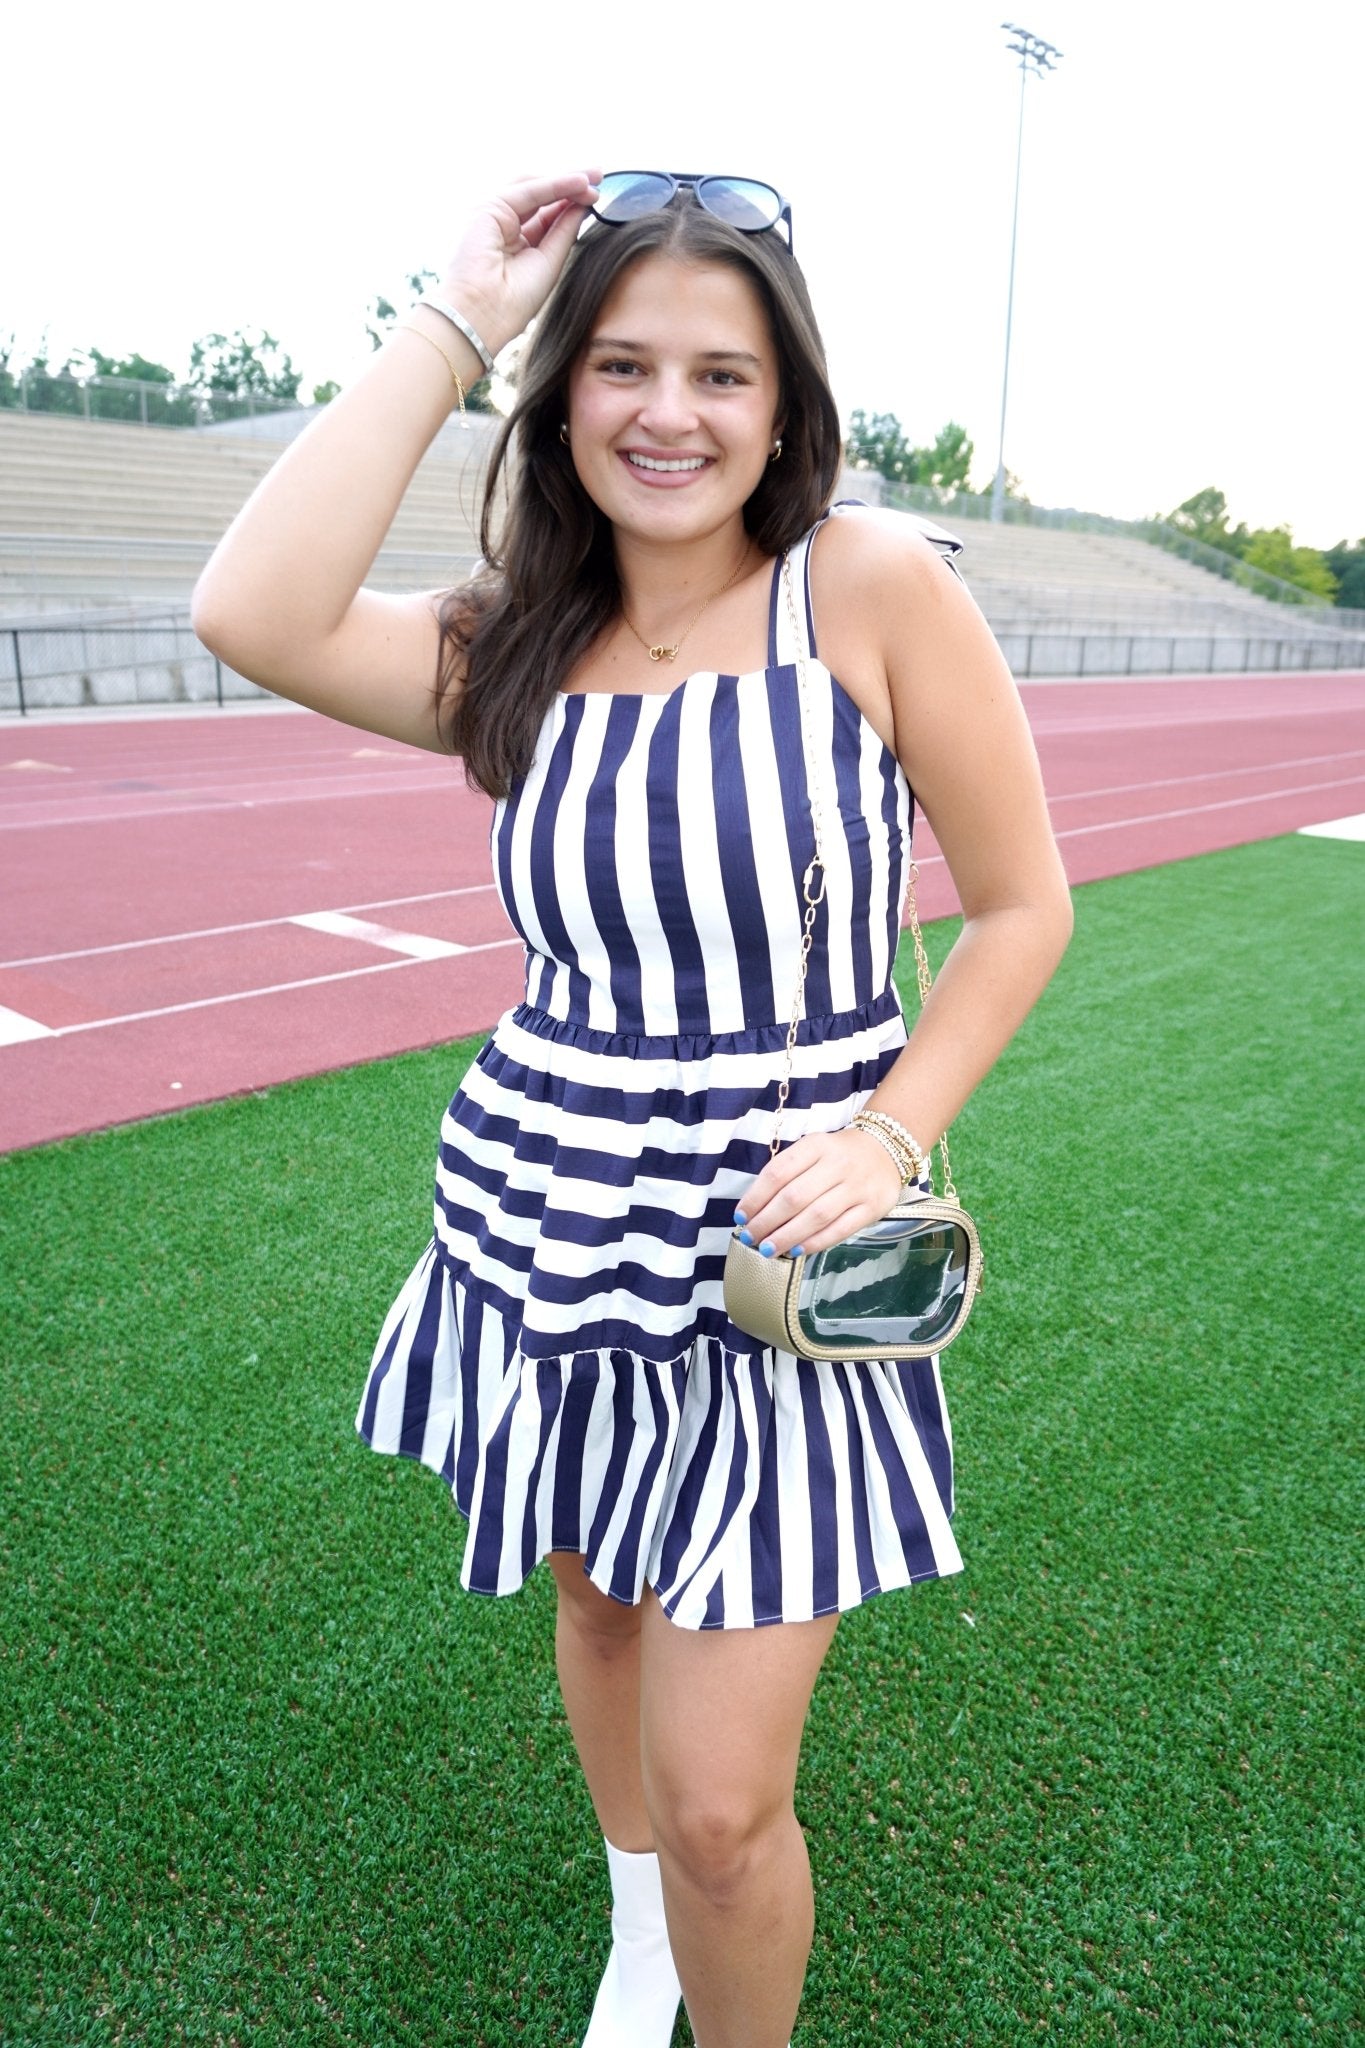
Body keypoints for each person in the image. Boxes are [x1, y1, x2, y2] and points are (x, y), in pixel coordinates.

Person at [192, 168, 1073, 2048]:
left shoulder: (867, 585)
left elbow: (1020, 906)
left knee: (728, 1808)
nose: (668, 412)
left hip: (778, 1245)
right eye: (619, 365)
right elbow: (251, 611)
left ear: (784, 406)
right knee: (594, 1609)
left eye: (720, 374)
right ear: (560, 393)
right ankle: (638, 1935)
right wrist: (456, 311)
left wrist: (892, 1130)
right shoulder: (503, 637)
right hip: (546, 1210)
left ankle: (702, 1936)